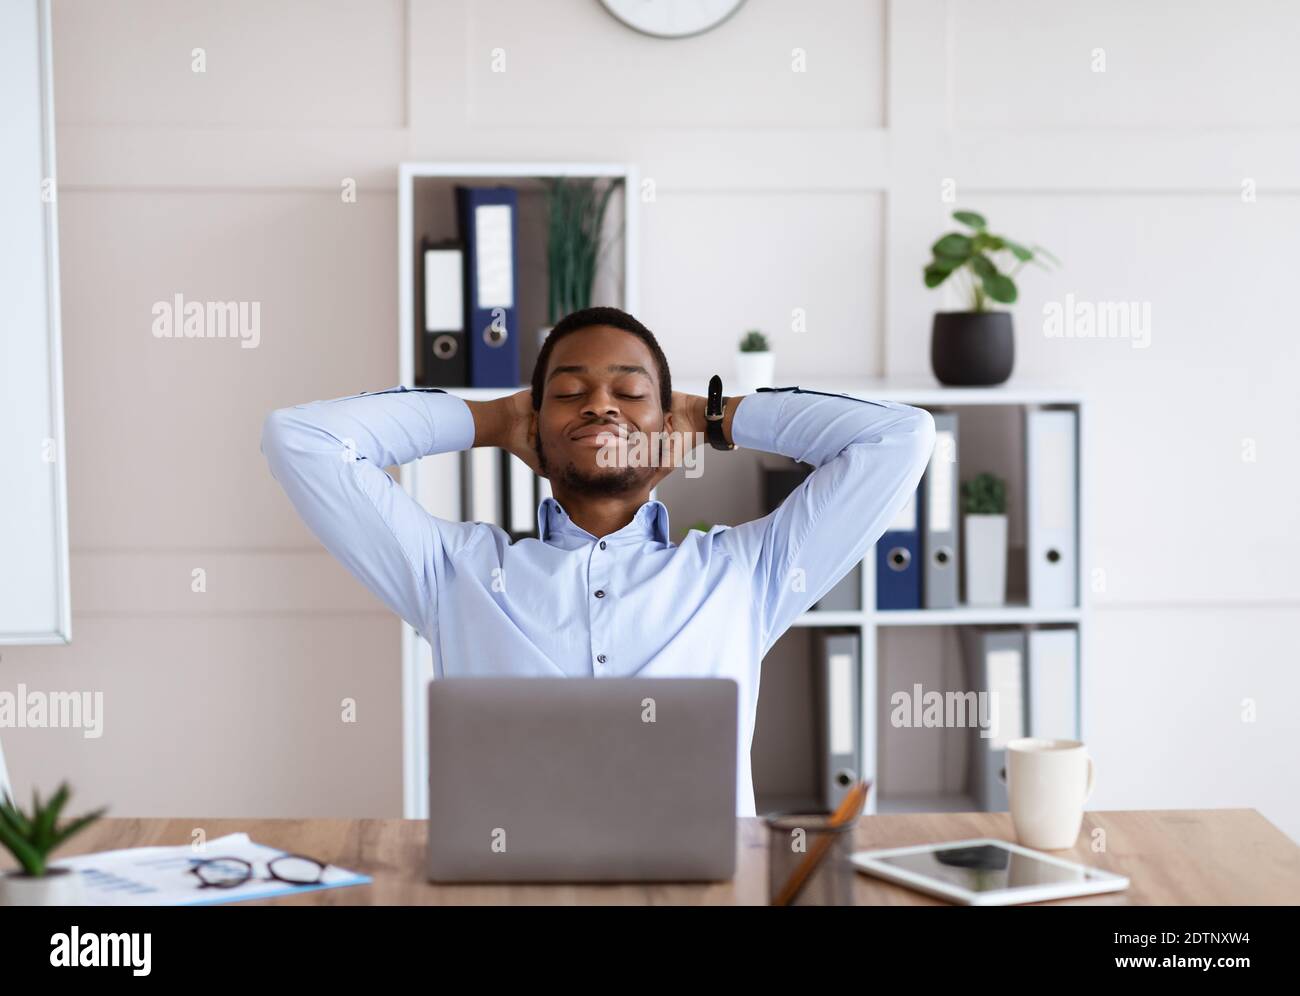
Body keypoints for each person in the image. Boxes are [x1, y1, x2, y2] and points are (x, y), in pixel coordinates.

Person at [261, 306, 935, 815]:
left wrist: (717, 416)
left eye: (631, 392)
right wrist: (488, 420)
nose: (600, 405)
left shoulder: (744, 576)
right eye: (568, 393)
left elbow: (899, 437)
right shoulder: (452, 572)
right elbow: (301, 440)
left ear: (669, 420)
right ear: (535, 425)